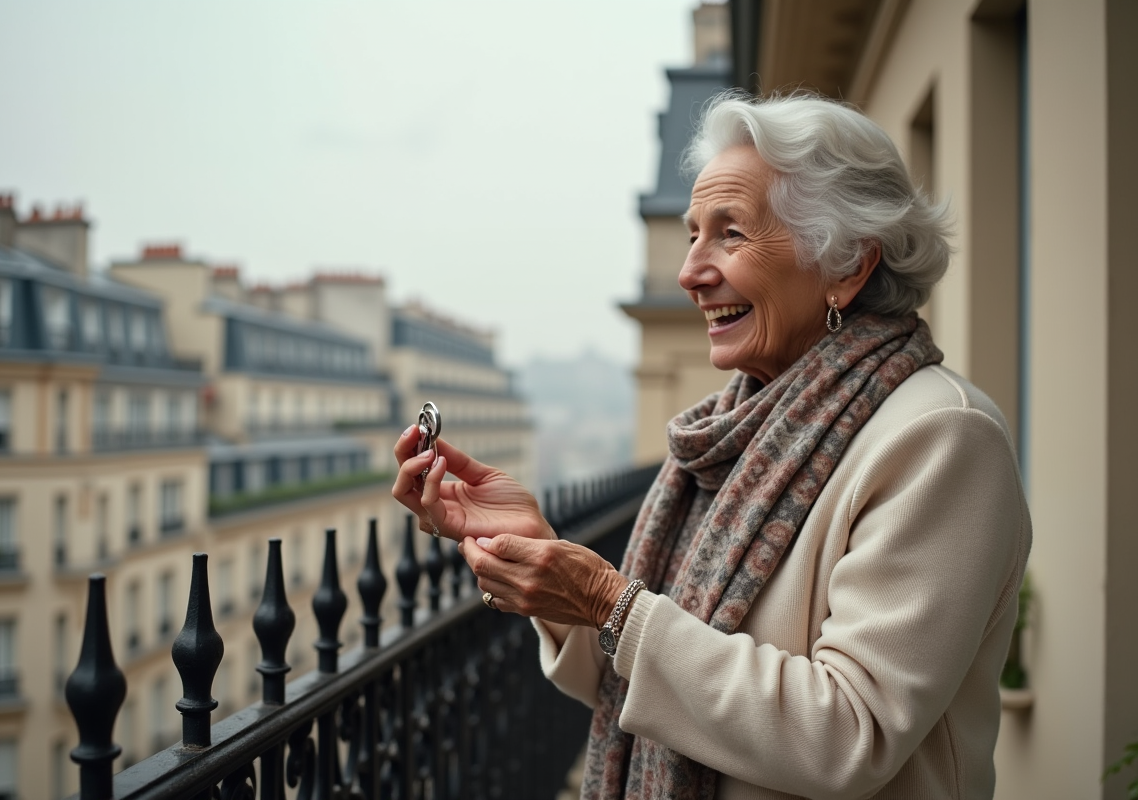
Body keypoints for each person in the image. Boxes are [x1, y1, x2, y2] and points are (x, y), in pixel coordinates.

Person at [391, 92, 1031, 799]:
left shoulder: (940, 436)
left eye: (729, 234)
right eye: (693, 233)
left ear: (848, 265)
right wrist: (541, 555)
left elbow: (850, 735)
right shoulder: (735, 429)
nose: (690, 271)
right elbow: (643, 679)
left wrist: (612, 604)